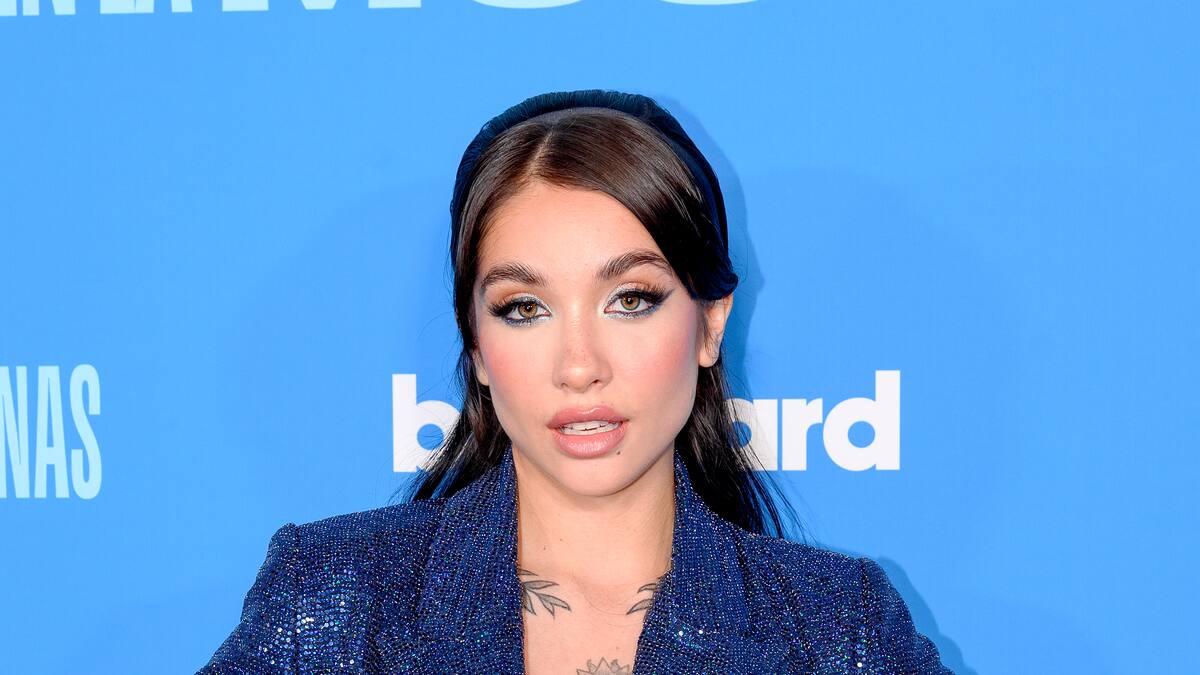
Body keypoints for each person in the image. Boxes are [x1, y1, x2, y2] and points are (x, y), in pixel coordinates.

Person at [198, 89, 951, 674]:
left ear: (710, 324)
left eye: (631, 299)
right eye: (524, 308)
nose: (580, 364)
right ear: (477, 346)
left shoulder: (837, 628)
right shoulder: (336, 600)